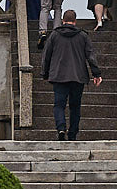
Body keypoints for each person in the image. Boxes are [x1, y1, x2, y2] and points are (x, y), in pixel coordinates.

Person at [39, 8, 101, 140]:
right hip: (78, 77)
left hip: (59, 76)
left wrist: (44, 73)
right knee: (75, 106)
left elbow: (46, 55)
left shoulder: (55, 35)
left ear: (63, 21)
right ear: (75, 21)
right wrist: (96, 74)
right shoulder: (83, 36)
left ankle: (61, 129)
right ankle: (72, 133)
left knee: (59, 105)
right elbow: (90, 56)